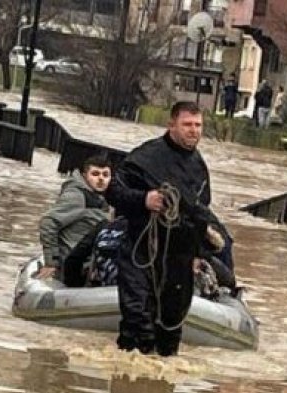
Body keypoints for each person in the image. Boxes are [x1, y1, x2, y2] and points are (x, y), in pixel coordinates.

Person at [105, 101, 219, 357]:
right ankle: (126, 384)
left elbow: (201, 211)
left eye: (198, 125)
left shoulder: (199, 166)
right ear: (171, 125)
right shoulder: (145, 157)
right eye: (187, 125)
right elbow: (113, 190)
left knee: (170, 329)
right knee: (138, 322)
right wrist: (144, 200)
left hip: (179, 257)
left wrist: (200, 254)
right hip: (142, 251)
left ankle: (162, 389)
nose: (194, 131)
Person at [37, 154, 112, 286]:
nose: (101, 179)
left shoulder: (104, 201)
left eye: (105, 175)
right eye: (95, 174)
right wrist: (51, 262)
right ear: (84, 175)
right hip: (70, 264)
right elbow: (48, 223)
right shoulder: (77, 196)